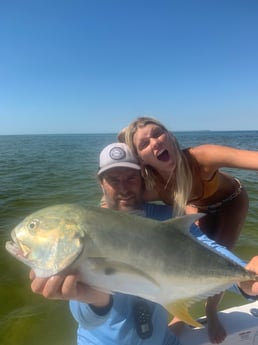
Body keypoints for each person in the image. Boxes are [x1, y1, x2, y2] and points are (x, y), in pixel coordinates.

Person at [29, 142, 258, 345]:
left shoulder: (166, 217)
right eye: (113, 180)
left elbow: (205, 251)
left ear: (142, 180)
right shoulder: (90, 227)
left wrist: (245, 280)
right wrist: (93, 299)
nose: (123, 188)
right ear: (101, 183)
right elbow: (87, 319)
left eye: (131, 178)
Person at [119, 116, 258, 343]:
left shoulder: (202, 157)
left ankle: (211, 311)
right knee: (194, 260)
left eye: (158, 133)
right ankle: (180, 312)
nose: (155, 142)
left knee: (220, 260)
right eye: (144, 144)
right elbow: (122, 200)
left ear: (170, 136)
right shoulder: (152, 187)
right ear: (141, 160)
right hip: (200, 207)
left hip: (232, 203)